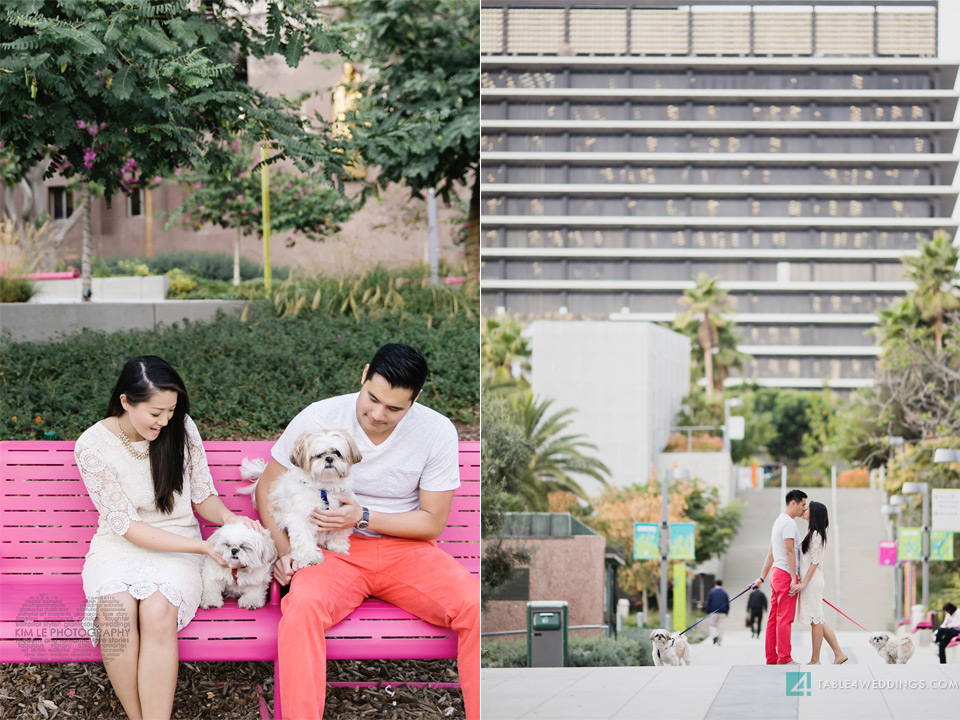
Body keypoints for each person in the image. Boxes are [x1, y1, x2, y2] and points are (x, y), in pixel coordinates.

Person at [254, 343, 479, 719]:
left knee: (474, 604)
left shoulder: (437, 431)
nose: (377, 414)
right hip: (331, 552)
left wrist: (362, 517)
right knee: (303, 608)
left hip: (406, 550)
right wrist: (285, 550)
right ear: (364, 375)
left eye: (394, 409)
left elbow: (431, 522)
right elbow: (266, 487)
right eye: (372, 398)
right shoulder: (319, 416)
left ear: (416, 399)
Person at [76, 356, 261, 720]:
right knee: (116, 614)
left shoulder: (181, 427)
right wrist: (202, 546)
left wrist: (227, 517)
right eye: (156, 413)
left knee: (158, 611)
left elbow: (202, 497)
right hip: (118, 546)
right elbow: (129, 528)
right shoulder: (92, 446)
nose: (165, 421)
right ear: (126, 401)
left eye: (171, 411)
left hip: (178, 544)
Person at [751, 489, 807, 665]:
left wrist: (761, 577)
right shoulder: (789, 523)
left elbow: (771, 553)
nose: (804, 509)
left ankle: (772, 658)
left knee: (773, 619)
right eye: (803, 504)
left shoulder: (778, 522)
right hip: (785, 575)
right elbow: (790, 551)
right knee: (785, 618)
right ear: (793, 503)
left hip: (776, 574)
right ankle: (785, 657)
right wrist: (793, 577)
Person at [790, 501, 848, 665]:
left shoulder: (816, 535)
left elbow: (815, 562)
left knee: (816, 621)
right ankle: (838, 653)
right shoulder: (812, 533)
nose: (804, 509)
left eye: (807, 508)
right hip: (811, 581)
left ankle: (816, 659)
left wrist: (803, 583)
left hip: (812, 581)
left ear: (814, 513)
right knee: (818, 619)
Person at [704, 579, 730, 645]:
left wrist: (707, 611)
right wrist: (726, 612)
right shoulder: (724, 593)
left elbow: (708, 602)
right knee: (721, 626)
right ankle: (719, 641)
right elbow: (728, 603)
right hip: (723, 612)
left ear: (715, 584)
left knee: (712, 625)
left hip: (713, 612)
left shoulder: (712, 592)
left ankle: (715, 636)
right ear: (722, 584)